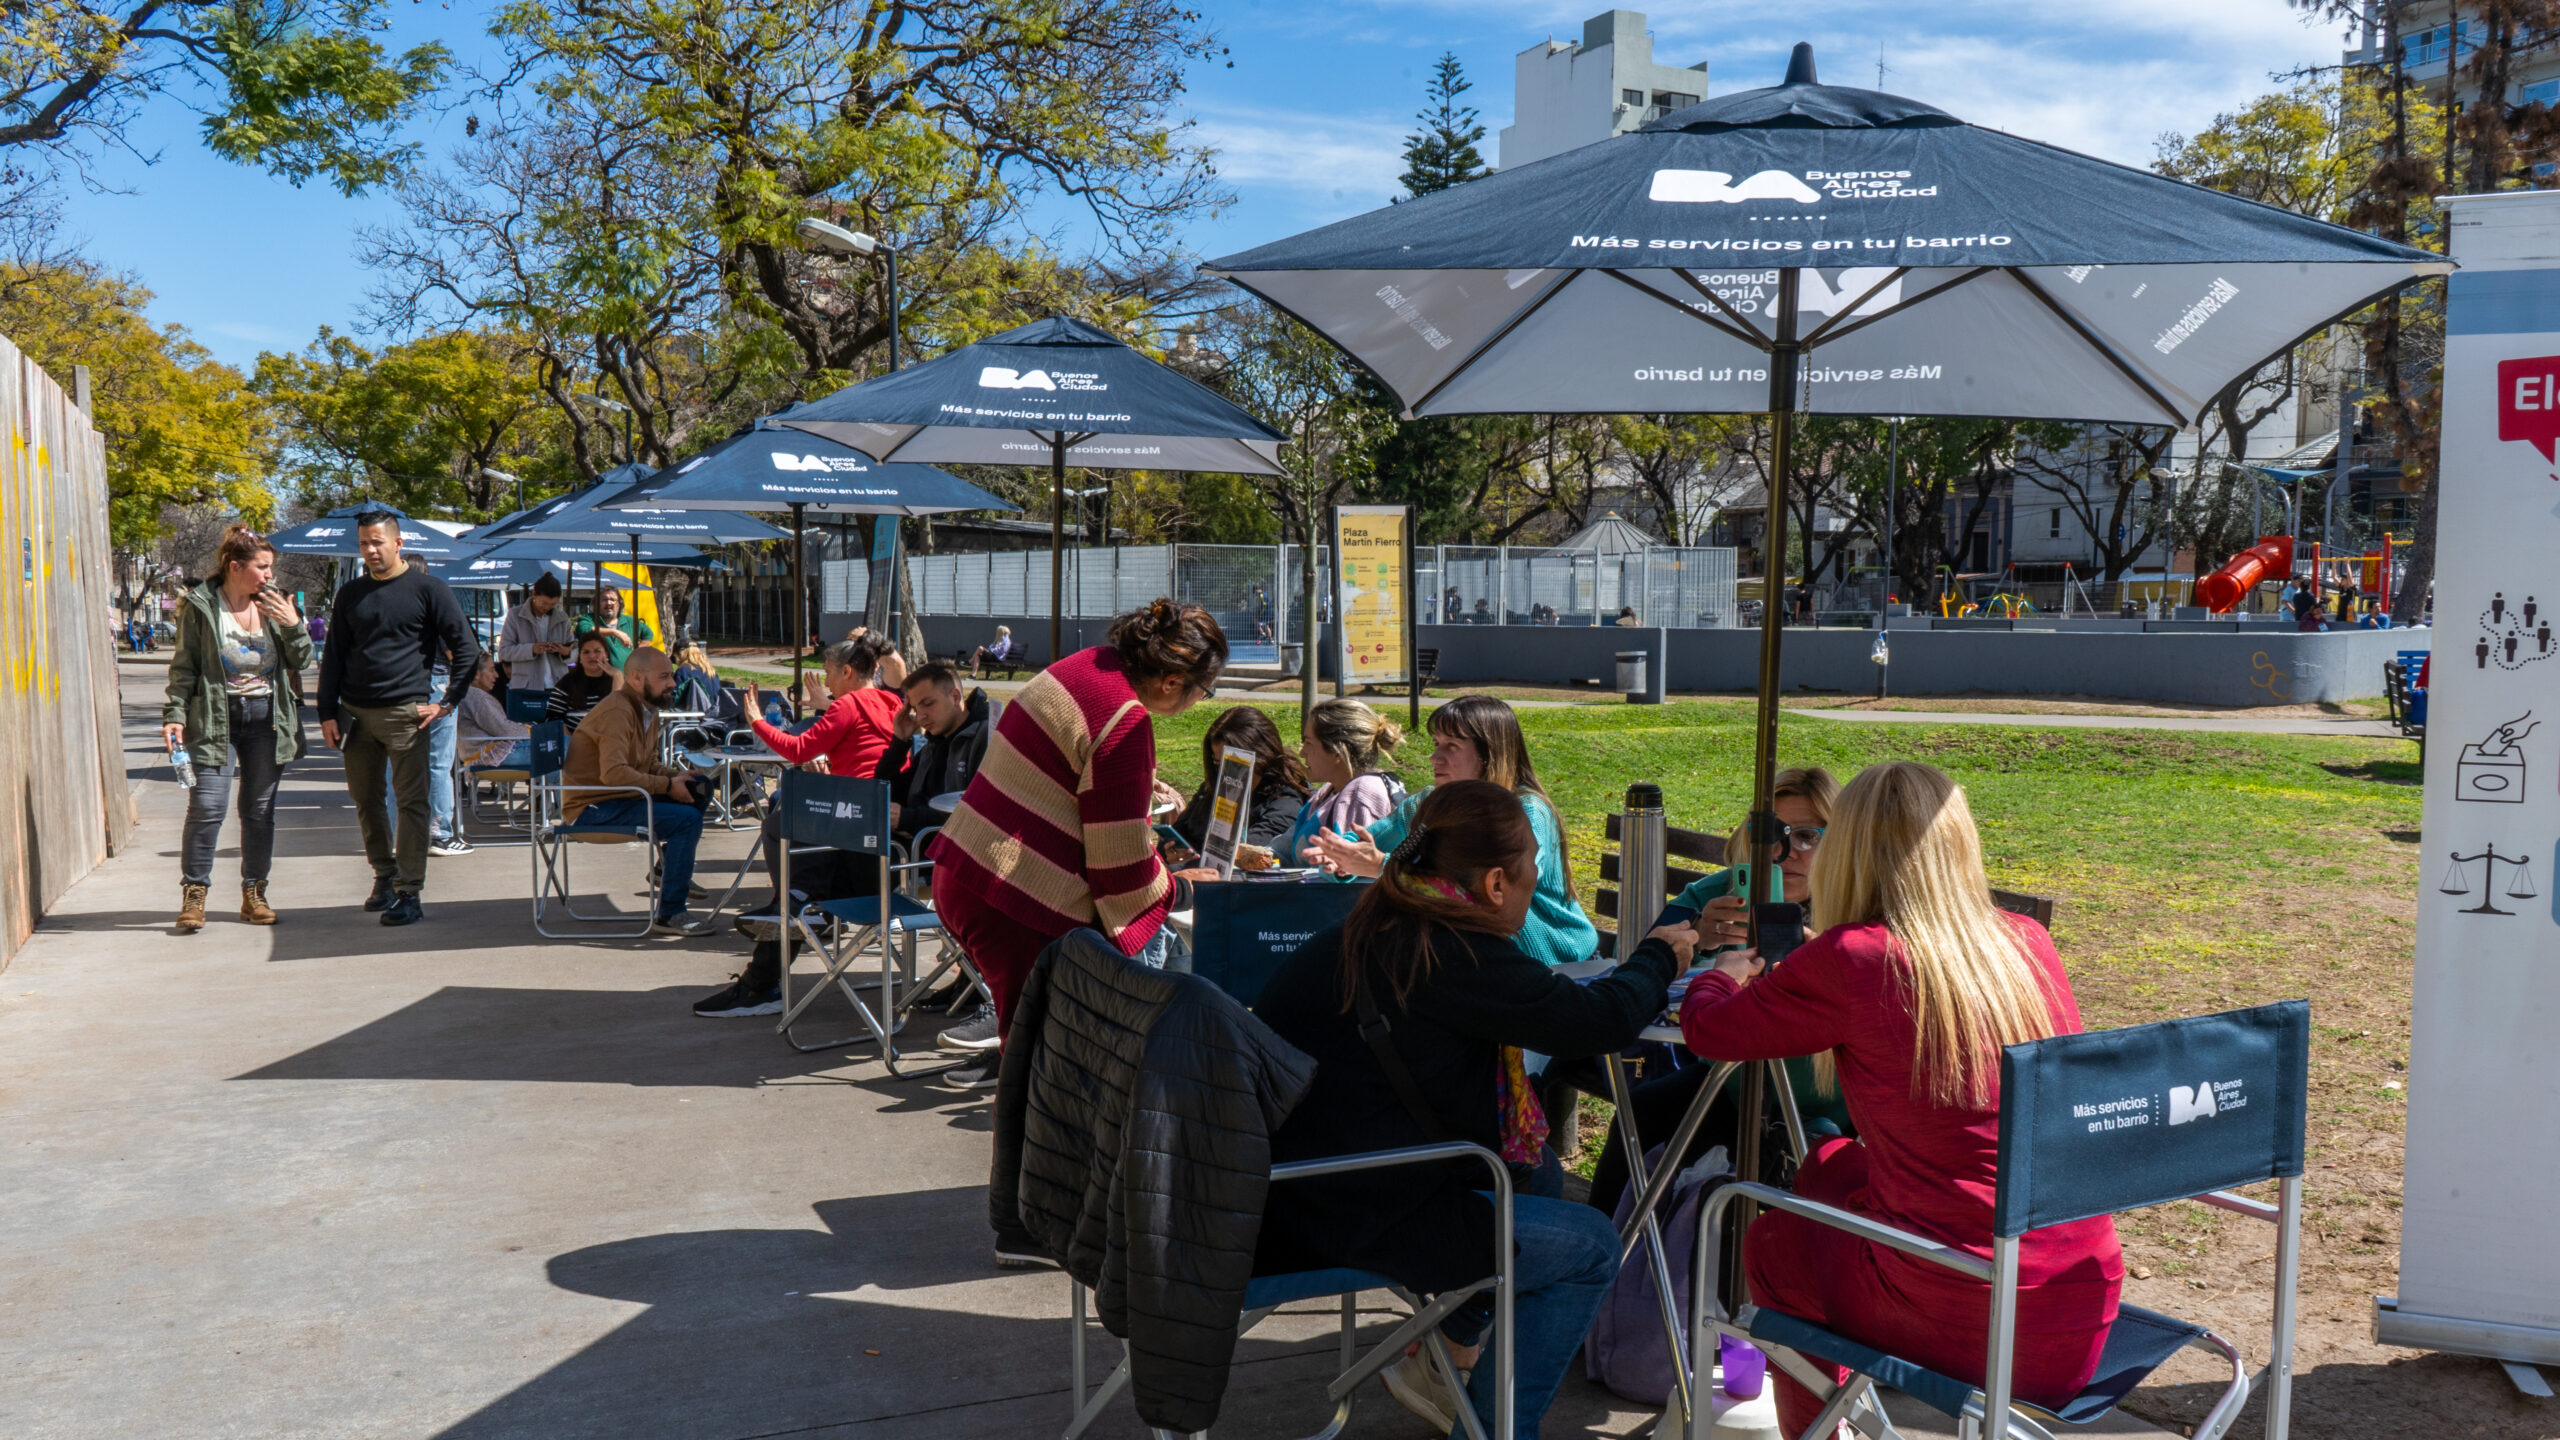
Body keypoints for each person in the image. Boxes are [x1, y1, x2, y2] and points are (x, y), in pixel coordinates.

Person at [1683, 761, 2121, 1439]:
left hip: (1967, 1313)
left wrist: (1723, 970)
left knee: (1772, 1241)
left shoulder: (1856, 956)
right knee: (1826, 1163)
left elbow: (1709, 1031)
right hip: (2075, 1303)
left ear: (1846, 851)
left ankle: (1819, 1429)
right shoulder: (2023, 941)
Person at [1254, 780, 1699, 1439]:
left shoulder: (1391, 914)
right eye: (1531, 874)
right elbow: (1593, 1021)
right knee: (1592, 1247)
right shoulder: (1451, 951)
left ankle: (1449, 1350)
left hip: (1295, 1182)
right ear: (1496, 883)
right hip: (1341, 1209)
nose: (1531, 887)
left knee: (1539, 1174)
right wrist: (1662, 954)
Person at [930, 600, 1226, 1116]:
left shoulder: (1086, 666)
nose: (1201, 700)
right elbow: (1119, 870)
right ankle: (1035, 1191)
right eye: (1206, 690)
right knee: (1050, 1073)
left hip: (968, 871)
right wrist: (1181, 886)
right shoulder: (1127, 721)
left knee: (1028, 1054)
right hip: (1016, 901)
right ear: (1173, 681)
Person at [1584, 766, 1846, 1216]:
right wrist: (1701, 937)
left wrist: (1817, 949)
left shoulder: (1849, 902)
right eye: (1775, 835)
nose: (1787, 853)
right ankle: (1607, 1260)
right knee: (1644, 1114)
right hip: (1734, 1080)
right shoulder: (1718, 893)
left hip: (1828, 1090)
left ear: (1839, 841)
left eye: (1807, 836)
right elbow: (1645, 964)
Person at [688, 638, 907, 1018]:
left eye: (828, 673)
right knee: (788, 830)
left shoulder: (849, 703)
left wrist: (756, 721)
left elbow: (798, 749)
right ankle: (786, 913)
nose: (827, 681)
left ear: (847, 673)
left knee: (778, 824)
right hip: (884, 839)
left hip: (854, 837)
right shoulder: (892, 703)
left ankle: (779, 924)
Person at [1306, 695, 1598, 968]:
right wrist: (1339, 857)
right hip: (1489, 962)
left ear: (1489, 754)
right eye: (1436, 744)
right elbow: (1366, 840)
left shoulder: (1526, 811)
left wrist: (1380, 866)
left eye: (1452, 747)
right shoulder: (1430, 803)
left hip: (1562, 966)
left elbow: (1483, 886)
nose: (1435, 758)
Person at [317, 510, 480, 927]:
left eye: (377, 542)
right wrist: (326, 712)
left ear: (397, 543)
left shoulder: (428, 589)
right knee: (366, 801)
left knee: (411, 803)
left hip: (406, 715)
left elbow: (466, 649)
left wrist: (447, 702)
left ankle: (410, 891)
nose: (370, 551)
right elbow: (333, 655)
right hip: (354, 715)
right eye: (363, 544)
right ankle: (384, 877)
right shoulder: (351, 594)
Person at [160, 525, 315, 932]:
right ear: (235, 567)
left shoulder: (274, 605)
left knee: (259, 812)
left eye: (270, 568)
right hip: (215, 719)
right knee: (207, 809)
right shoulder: (201, 605)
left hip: (268, 718)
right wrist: (174, 713)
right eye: (262, 567)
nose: (269, 575)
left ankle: (254, 894)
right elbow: (185, 666)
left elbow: (302, 661)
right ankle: (194, 895)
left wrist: (293, 624)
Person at [559, 646, 717, 935]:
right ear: (635, 678)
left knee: (700, 788)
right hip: (591, 810)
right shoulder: (618, 711)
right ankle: (670, 912)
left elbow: (648, 763)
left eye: (671, 676)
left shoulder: (647, 708)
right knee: (687, 820)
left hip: (621, 797)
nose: (672, 683)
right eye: (664, 677)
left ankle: (666, 869)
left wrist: (677, 777)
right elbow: (614, 773)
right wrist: (668, 786)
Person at [1171, 706, 1310, 853]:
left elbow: (1241, 854)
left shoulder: (1284, 801)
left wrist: (1190, 860)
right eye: (1218, 763)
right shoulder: (1213, 787)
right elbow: (1176, 835)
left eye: (1232, 763)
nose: (1224, 772)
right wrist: (1173, 852)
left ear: (1260, 756)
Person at [1283, 698, 1407, 862]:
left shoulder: (1362, 793)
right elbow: (1285, 845)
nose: (1302, 753)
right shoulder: (1329, 791)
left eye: (1308, 742)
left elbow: (1353, 873)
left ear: (1337, 751)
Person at [498, 572, 577, 698]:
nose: (547, 608)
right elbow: (504, 651)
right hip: (526, 686)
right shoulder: (515, 615)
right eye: (544, 603)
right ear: (534, 594)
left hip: (559, 685)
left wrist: (565, 652)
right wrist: (532, 649)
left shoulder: (562, 617)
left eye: (552, 604)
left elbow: (574, 652)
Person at [457, 657, 532, 770]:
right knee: (558, 745)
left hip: (480, 754)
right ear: (477, 674)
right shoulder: (476, 696)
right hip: (492, 755)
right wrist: (531, 730)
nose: (496, 675)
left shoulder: (465, 694)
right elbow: (503, 729)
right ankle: (554, 787)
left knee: (553, 748)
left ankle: (552, 787)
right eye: (492, 670)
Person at [547, 634, 621, 730]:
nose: (592, 656)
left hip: (607, 739)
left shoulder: (617, 679)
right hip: (572, 740)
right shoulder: (567, 682)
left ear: (606, 654)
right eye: (586, 652)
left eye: (597, 651)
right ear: (580, 657)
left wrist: (617, 676)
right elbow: (553, 718)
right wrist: (571, 741)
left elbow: (620, 715)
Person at [575, 586, 654, 670]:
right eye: (604, 600)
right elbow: (584, 630)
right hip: (598, 677)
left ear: (619, 604)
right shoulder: (589, 619)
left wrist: (636, 653)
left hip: (627, 677)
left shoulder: (630, 621)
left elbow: (648, 634)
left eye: (613, 600)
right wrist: (614, 632)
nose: (609, 603)